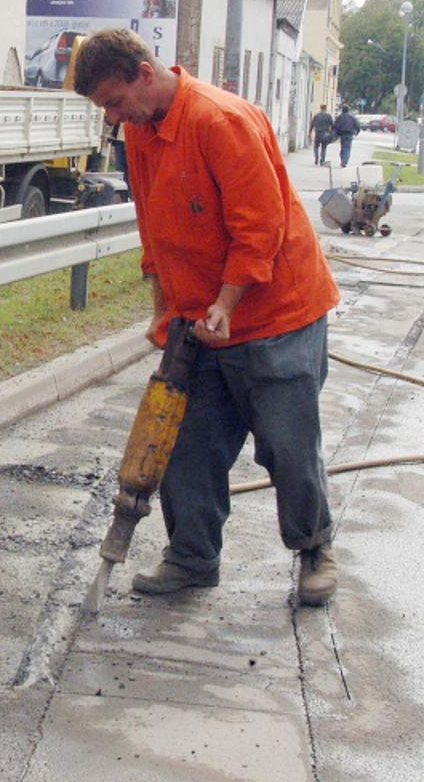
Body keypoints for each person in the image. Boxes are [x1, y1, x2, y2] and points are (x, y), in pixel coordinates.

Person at [71, 29, 341, 608]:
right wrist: (164, 309)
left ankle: (315, 550)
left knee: (287, 443)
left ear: (146, 74)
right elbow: (156, 230)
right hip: (200, 318)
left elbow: (260, 228)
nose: (113, 118)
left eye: (115, 102)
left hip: (276, 316)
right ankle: (192, 557)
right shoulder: (140, 131)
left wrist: (226, 303)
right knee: (186, 443)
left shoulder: (220, 121)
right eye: (104, 109)